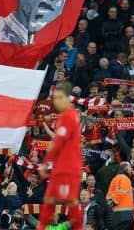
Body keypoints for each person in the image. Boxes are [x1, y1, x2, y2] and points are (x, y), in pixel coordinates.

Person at [37, 84, 83, 230]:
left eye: (60, 98)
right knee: (49, 201)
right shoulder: (66, 116)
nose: (56, 101)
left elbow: (57, 142)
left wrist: (45, 163)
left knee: (70, 203)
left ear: (68, 98)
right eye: (54, 98)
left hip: (67, 168)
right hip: (61, 168)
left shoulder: (68, 116)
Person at [106, 162, 134, 230]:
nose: (131, 169)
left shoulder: (114, 178)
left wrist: (110, 203)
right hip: (125, 212)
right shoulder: (125, 178)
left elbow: (108, 195)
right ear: (125, 168)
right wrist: (115, 202)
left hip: (116, 211)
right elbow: (121, 192)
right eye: (130, 167)